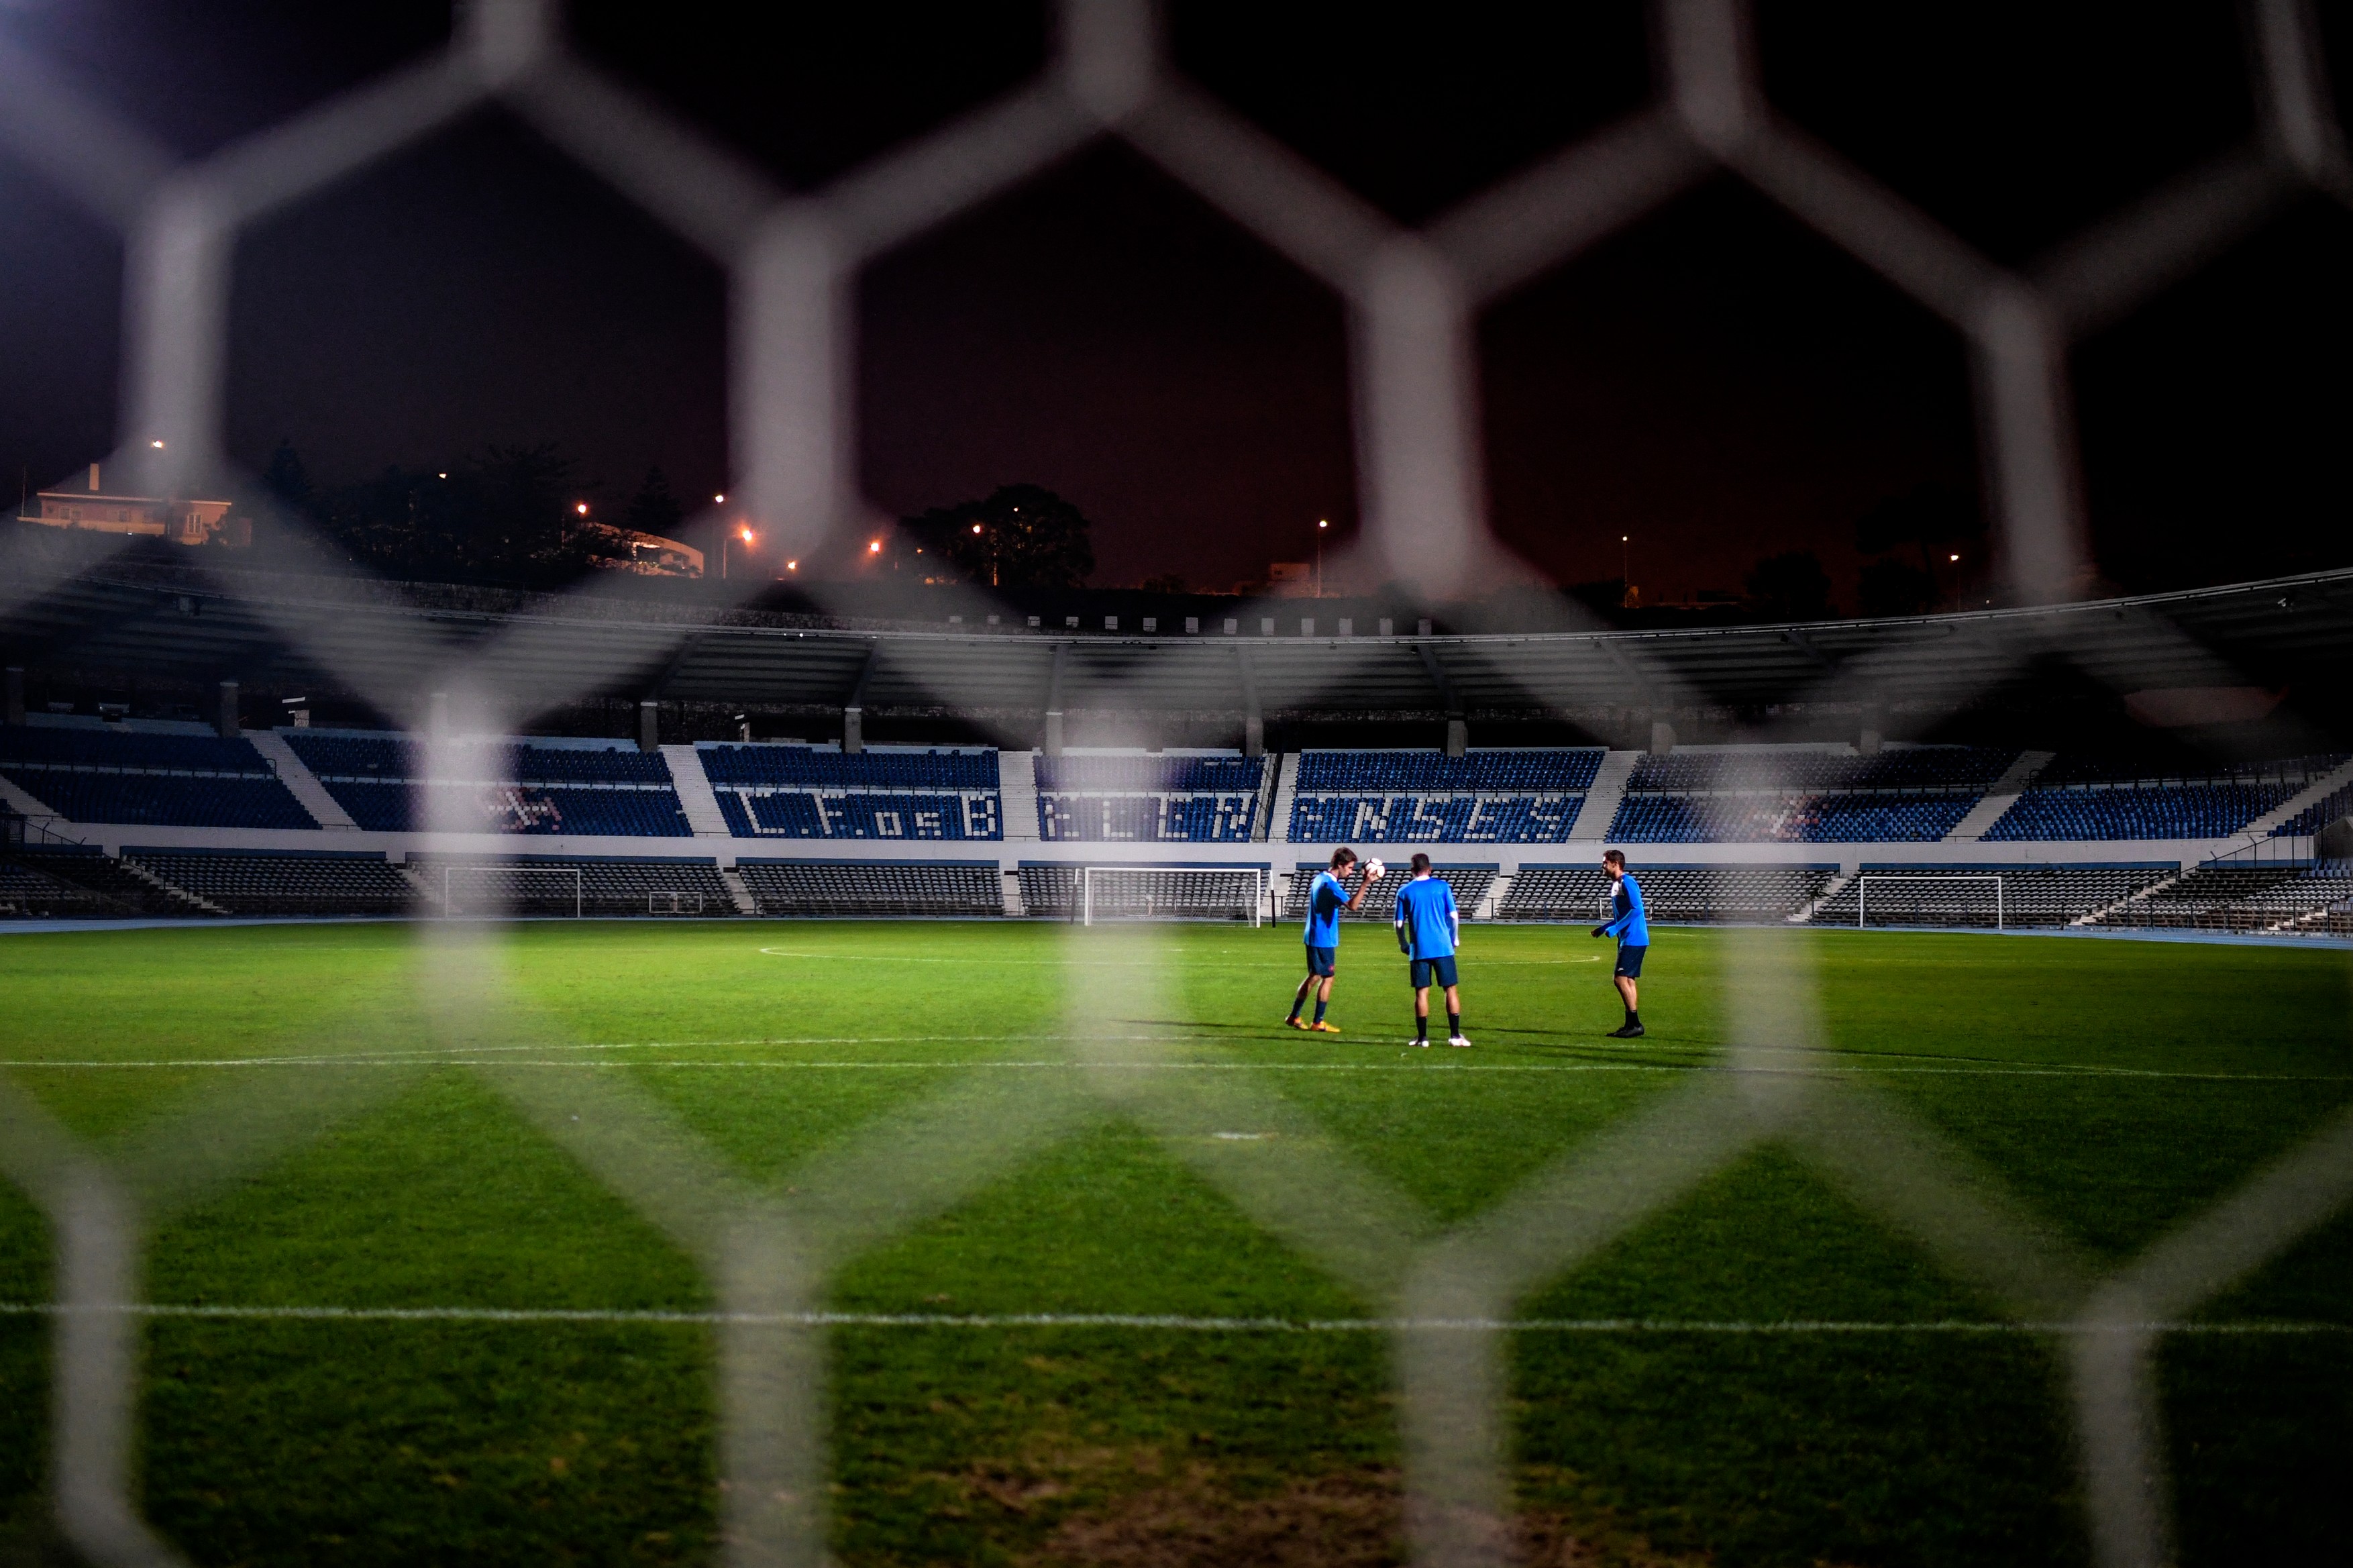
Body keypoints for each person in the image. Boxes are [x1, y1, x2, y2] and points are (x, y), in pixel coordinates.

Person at [1286, 847, 1383, 1033]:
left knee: (1314, 977)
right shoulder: (1331, 885)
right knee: (1328, 978)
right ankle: (1317, 1022)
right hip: (1323, 938)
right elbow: (1353, 906)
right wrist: (1365, 884)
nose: (1351, 871)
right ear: (1340, 865)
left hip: (1314, 934)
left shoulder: (1321, 877)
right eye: (1350, 867)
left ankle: (1294, 1016)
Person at [1394, 853, 1467, 1047]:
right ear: (1430, 868)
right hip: (1443, 946)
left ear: (1412, 870)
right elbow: (1453, 916)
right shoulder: (1442, 887)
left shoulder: (1405, 891)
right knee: (1450, 989)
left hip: (1419, 949)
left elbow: (1399, 923)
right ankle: (1455, 1036)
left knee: (1421, 993)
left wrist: (1403, 943)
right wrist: (1455, 938)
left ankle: (1423, 1038)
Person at [1591, 848, 1649, 1038]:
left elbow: (1637, 910)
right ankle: (1631, 1024)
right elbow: (1623, 915)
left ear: (1615, 864)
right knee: (1628, 981)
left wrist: (1615, 929)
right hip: (1630, 938)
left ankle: (1635, 1023)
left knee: (1620, 979)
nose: (1602, 866)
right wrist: (1603, 929)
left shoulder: (1628, 882)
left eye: (1605, 863)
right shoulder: (1617, 885)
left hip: (1634, 938)